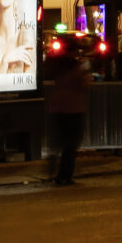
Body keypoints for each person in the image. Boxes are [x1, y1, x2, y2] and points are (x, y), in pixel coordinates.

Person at [46, 42, 93, 185]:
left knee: (60, 142)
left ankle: (54, 168)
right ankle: (64, 175)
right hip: (74, 109)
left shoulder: (57, 67)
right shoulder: (77, 69)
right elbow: (86, 83)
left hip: (57, 108)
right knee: (71, 144)